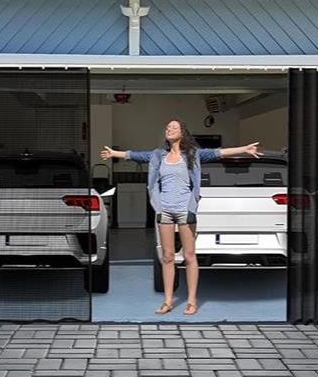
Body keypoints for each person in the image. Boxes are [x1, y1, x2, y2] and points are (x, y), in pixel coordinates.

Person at [101, 119, 260, 315]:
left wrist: (244, 148)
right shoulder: (159, 155)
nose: (169, 129)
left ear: (182, 133)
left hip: (185, 209)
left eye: (174, 127)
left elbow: (219, 152)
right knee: (167, 257)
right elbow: (137, 155)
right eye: (167, 127)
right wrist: (114, 153)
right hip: (164, 210)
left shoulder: (193, 154)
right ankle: (168, 301)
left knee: (189, 256)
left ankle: (191, 300)